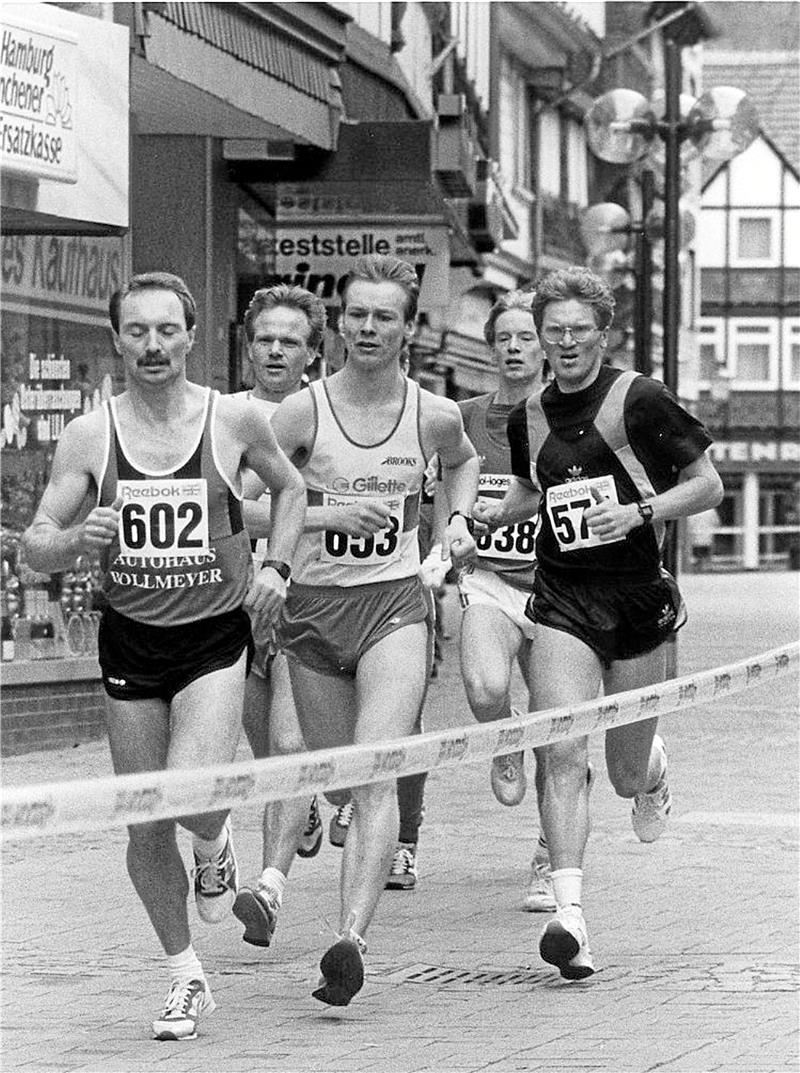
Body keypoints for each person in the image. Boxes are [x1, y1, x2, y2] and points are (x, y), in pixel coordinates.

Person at [21, 272, 306, 1040]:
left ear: (190, 336)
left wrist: (275, 569)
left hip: (213, 635)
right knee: (143, 823)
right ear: (117, 340)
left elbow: (291, 490)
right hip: (131, 640)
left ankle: (213, 837)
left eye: (166, 331)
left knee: (189, 795)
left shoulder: (235, 417)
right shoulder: (90, 434)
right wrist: (73, 539)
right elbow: (33, 546)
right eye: (136, 332)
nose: (152, 345)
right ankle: (184, 975)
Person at [475, 266, 723, 980]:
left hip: (639, 603)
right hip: (563, 598)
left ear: (603, 333)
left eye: (580, 330)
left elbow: (707, 485)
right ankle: (570, 917)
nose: (566, 342)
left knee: (618, 772)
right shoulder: (529, 412)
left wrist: (640, 512)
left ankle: (652, 769)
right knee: (561, 751)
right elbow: (534, 486)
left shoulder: (638, 398)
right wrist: (499, 512)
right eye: (555, 330)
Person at [270, 253, 478, 1006]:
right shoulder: (299, 414)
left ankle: (349, 938)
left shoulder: (432, 413)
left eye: (383, 315)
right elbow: (243, 500)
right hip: (313, 612)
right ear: (340, 324)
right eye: (356, 313)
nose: (367, 327)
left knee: (377, 765)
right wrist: (322, 515)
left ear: (409, 328)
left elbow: (465, 460)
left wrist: (456, 521)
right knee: (340, 778)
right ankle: (348, 836)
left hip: (393, 604)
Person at [230, 284, 327, 951]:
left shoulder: (328, 418)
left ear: (313, 353)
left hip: (309, 602)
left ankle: (268, 885)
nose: (274, 349)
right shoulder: (225, 418)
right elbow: (235, 513)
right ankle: (306, 802)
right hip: (234, 606)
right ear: (248, 345)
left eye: (289, 340)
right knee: (268, 755)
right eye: (264, 337)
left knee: (290, 747)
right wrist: (326, 513)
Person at [687, 506, 719, 571]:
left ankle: (698, 570)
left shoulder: (691, 511)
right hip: (708, 539)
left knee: (697, 558)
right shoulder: (711, 510)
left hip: (694, 539)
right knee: (707, 558)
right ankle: (705, 570)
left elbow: (687, 525)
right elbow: (717, 523)